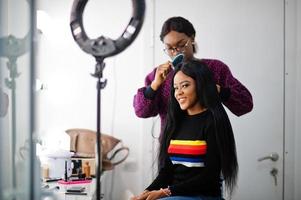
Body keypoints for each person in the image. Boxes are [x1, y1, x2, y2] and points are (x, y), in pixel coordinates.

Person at [131, 60, 238, 200]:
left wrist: (165, 192)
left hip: (203, 196)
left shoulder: (213, 121)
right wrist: (145, 193)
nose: (178, 93)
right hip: (175, 194)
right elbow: (167, 172)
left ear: (200, 86)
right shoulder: (175, 121)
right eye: (175, 88)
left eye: (185, 86)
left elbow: (209, 177)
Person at [133, 16, 253, 135]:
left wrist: (219, 91)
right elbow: (141, 111)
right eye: (169, 48)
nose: (175, 51)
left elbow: (245, 104)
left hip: (211, 143)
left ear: (192, 38)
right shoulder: (158, 75)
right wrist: (154, 85)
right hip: (173, 146)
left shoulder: (215, 68)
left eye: (181, 44)